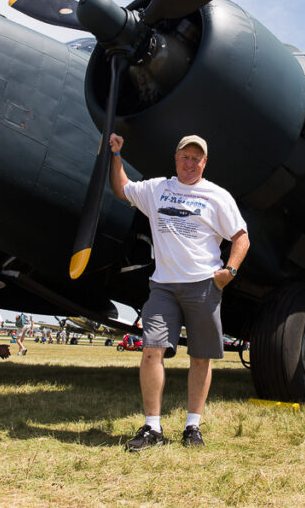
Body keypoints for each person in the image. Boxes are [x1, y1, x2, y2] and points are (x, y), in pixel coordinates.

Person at [110, 133, 249, 450]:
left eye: (196, 158)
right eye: (185, 157)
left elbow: (241, 237)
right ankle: (152, 428)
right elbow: (121, 189)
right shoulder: (157, 188)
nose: (190, 163)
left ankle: (192, 426)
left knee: (200, 357)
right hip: (163, 286)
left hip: (204, 286)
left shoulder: (217, 196)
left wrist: (229, 272)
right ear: (176, 159)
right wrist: (116, 154)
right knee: (150, 350)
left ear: (204, 163)